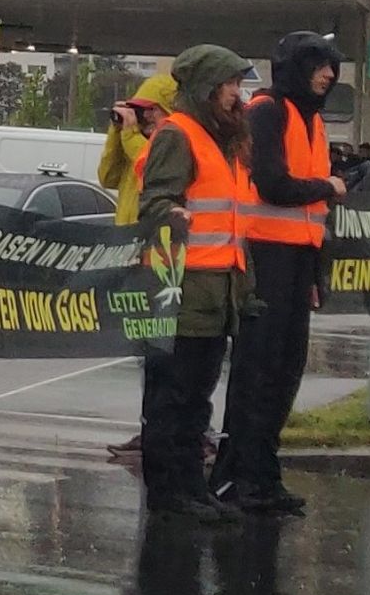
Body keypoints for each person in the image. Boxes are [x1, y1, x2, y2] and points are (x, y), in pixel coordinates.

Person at [215, 28, 343, 518]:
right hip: (263, 257)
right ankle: (237, 474)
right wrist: (327, 186)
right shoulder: (268, 111)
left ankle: (262, 473)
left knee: (285, 370)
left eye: (331, 67)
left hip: (294, 261)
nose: (329, 75)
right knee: (258, 370)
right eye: (319, 65)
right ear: (296, 68)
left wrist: (313, 274)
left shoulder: (312, 121)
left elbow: (306, 208)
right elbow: (271, 184)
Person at [132, 43, 253, 517]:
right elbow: (156, 203)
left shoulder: (220, 139)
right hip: (181, 289)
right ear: (207, 87)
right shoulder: (178, 135)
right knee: (174, 397)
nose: (237, 95)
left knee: (196, 398)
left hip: (215, 290)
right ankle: (171, 492)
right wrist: (170, 213)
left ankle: (189, 488)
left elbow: (233, 220)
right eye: (231, 85)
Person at [95, 68, 177, 472]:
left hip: (158, 260)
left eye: (149, 111)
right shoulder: (134, 144)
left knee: (162, 353)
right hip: (130, 255)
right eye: (138, 111)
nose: (142, 118)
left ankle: (166, 431)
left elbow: (151, 175)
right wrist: (117, 133)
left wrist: (130, 136)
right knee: (147, 352)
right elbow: (107, 176)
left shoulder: (161, 147)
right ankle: (149, 428)